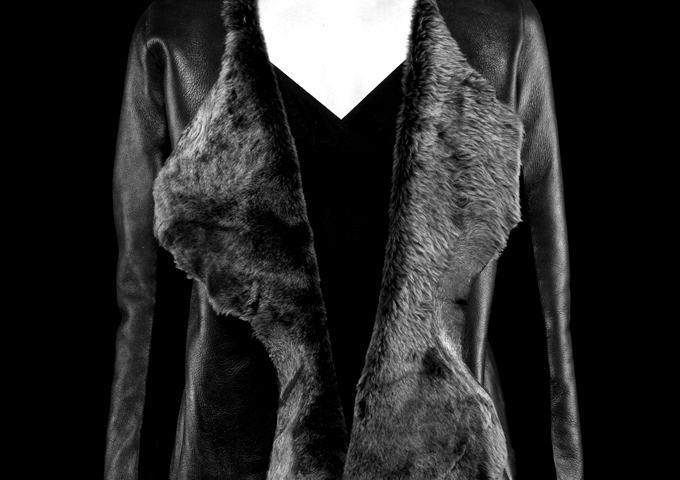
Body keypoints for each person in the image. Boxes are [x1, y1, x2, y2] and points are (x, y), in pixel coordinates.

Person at [105, 0, 583, 478]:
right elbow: (146, 318)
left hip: (449, 460)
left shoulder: (501, 33)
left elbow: (541, 311)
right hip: (231, 462)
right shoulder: (177, 34)